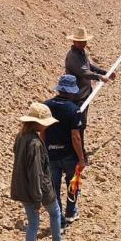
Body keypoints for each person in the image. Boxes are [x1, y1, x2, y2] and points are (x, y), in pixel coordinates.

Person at [10, 100, 74, 241]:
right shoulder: (36, 144)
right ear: (38, 123)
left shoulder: (21, 136)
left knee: (32, 223)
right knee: (54, 212)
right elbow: (37, 173)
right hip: (39, 189)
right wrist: (38, 199)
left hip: (23, 187)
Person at [46, 74, 87, 224]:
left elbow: (42, 131)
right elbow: (76, 136)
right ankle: (70, 211)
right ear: (71, 91)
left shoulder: (47, 106)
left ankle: (59, 221)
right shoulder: (74, 110)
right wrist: (81, 159)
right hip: (69, 156)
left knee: (54, 189)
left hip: (51, 154)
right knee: (74, 182)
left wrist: (45, 151)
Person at [64, 27, 115, 123]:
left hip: (84, 94)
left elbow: (89, 66)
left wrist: (105, 72)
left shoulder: (82, 53)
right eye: (80, 42)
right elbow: (84, 72)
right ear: (74, 41)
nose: (83, 44)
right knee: (77, 124)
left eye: (84, 42)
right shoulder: (73, 56)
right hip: (76, 97)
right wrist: (99, 77)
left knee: (82, 122)